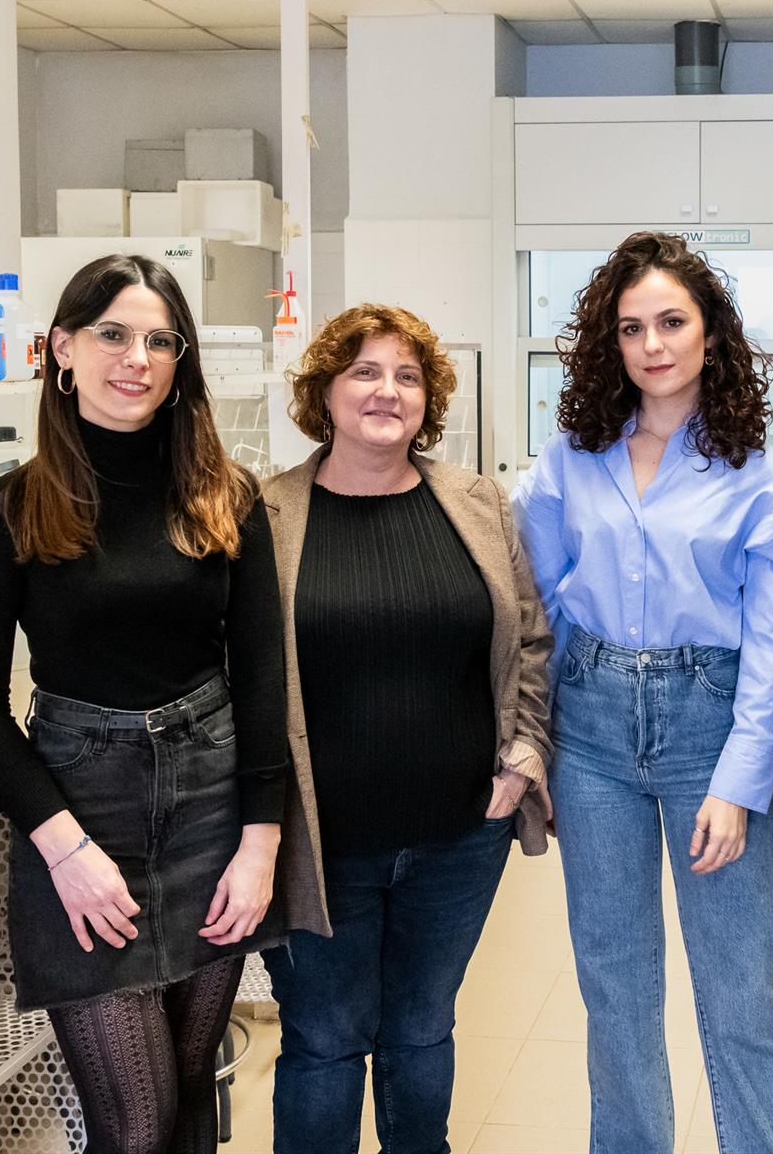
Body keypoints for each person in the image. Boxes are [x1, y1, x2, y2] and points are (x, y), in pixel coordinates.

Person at [0, 254, 300, 1154]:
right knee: (135, 1124)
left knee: (189, 1094)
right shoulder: (7, 512)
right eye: (112, 334)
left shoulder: (227, 500)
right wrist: (63, 851)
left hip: (211, 806)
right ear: (62, 349)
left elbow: (262, 678)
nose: (136, 359)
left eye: (160, 341)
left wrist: (260, 842)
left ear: (181, 361)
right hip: (85, 813)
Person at [513, 230, 773, 1154]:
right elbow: (539, 607)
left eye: (672, 323)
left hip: (708, 729)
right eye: (631, 327)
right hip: (593, 731)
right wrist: (540, 744)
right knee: (615, 989)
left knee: (742, 989)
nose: (652, 344)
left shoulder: (759, 472)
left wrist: (740, 782)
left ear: (711, 333)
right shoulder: (570, 460)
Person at [258, 303, 554, 1154]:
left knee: (423, 1030)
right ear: (324, 392)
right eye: (364, 372)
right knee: (325, 1039)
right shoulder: (266, 515)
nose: (387, 391)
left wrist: (522, 758)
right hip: (319, 842)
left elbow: (531, 641)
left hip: (460, 837)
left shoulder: (476, 502)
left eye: (408, 376)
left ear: (429, 400)